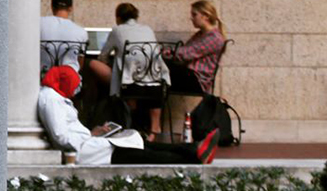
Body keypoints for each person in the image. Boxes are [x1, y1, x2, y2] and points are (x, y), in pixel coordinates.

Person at [37, 66, 219, 167]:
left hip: (92, 146)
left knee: (141, 144)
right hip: (89, 153)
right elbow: (61, 136)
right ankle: (193, 155)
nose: (75, 92)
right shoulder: (52, 100)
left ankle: (193, 149)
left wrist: (94, 133)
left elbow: (68, 132)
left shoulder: (54, 98)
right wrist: (90, 137)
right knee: (145, 154)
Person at [88, 2, 170, 140]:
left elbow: (103, 55)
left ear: (118, 17)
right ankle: (154, 128)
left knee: (93, 64)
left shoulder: (117, 30)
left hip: (130, 86)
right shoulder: (147, 29)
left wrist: (112, 62)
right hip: (157, 82)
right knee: (145, 80)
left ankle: (126, 118)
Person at [164, 0, 226, 95]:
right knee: (157, 70)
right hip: (189, 76)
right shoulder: (199, 35)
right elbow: (184, 53)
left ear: (206, 16)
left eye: (194, 14)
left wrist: (171, 52)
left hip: (197, 81)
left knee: (159, 69)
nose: (191, 18)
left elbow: (187, 53)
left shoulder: (214, 38)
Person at [39, 0, 88, 76]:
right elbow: (80, 62)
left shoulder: (39, 23)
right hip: (68, 83)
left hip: (42, 78)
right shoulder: (81, 32)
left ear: (52, 7)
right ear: (70, 8)